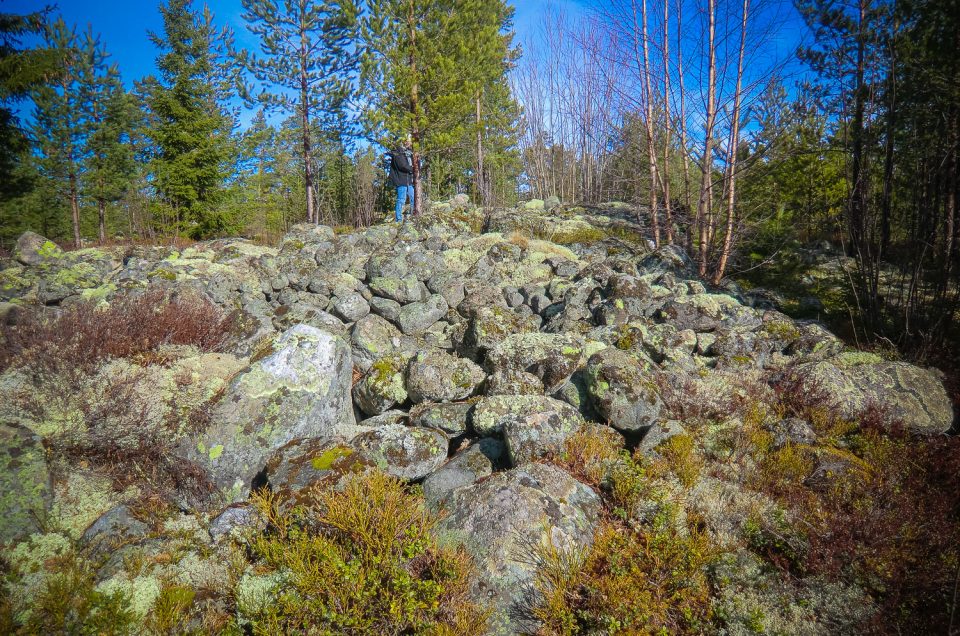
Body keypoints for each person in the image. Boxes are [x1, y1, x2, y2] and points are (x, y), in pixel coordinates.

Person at [387, 137, 415, 223]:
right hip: (401, 181)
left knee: (413, 198)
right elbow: (403, 166)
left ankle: (413, 216)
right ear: (404, 142)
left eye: (410, 142)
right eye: (408, 141)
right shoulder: (398, 153)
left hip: (409, 181)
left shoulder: (408, 153)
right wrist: (413, 169)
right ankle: (398, 219)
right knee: (401, 200)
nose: (409, 143)